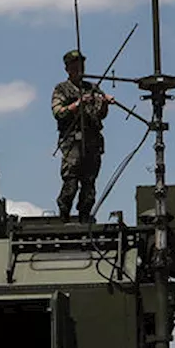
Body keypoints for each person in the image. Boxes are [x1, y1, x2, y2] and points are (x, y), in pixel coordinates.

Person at [51, 49, 113, 223]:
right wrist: (78, 104)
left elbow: (100, 114)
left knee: (89, 183)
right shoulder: (61, 89)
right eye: (75, 65)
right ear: (67, 68)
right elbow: (58, 112)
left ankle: (85, 217)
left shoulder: (92, 88)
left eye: (81, 65)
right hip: (73, 143)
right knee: (70, 182)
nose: (79, 68)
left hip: (92, 142)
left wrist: (105, 104)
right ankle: (64, 215)